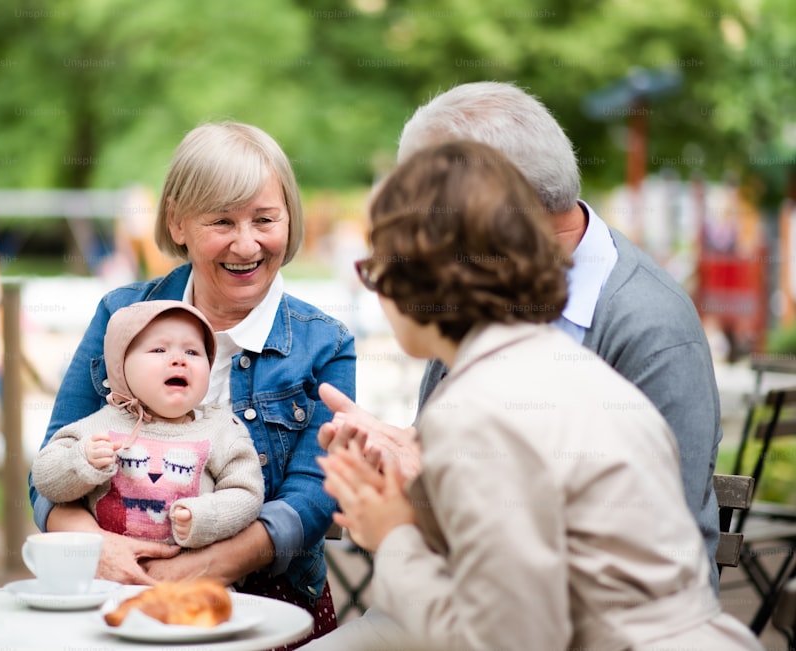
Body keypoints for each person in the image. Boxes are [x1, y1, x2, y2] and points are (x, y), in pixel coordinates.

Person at [318, 139, 761, 651]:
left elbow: (505, 639)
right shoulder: (570, 369)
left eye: (375, 266)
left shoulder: (476, 407)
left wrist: (393, 536)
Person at [29, 121, 356, 647]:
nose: (246, 244)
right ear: (178, 222)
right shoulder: (121, 315)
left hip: (269, 604)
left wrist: (207, 566)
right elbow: (51, 465)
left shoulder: (327, 343)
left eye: (266, 219)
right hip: (117, 596)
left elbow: (314, 495)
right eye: (221, 220)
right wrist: (98, 550)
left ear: (290, 221)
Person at [31, 301, 264, 548]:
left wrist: (206, 516)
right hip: (108, 580)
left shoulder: (222, 430)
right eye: (159, 350)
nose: (179, 360)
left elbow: (247, 492)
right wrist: (81, 462)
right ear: (120, 366)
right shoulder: (101, 425)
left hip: (192, 579)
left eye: (193, 352)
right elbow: (44, 477)